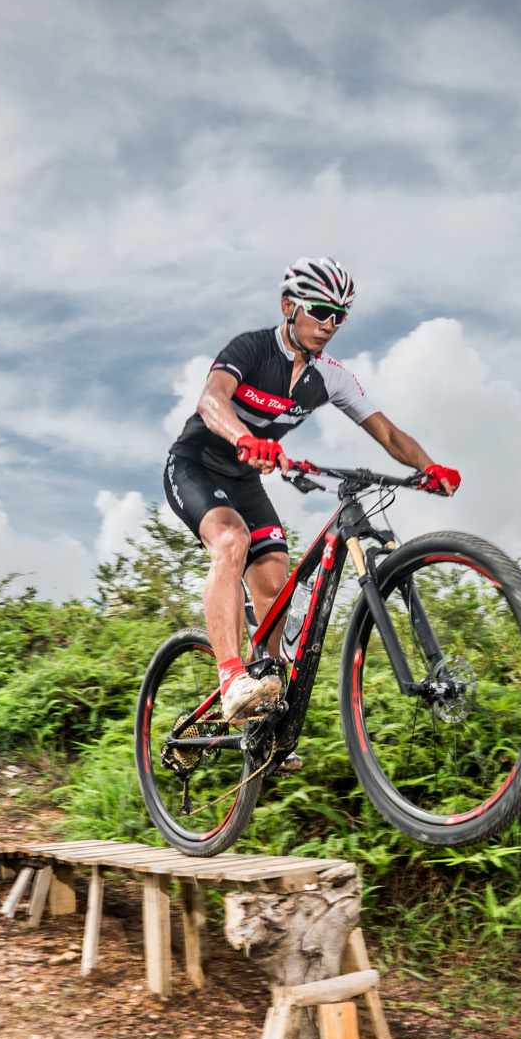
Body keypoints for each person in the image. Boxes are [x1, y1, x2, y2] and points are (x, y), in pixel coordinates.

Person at [163, 256, 460, 723]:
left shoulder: (331, 377)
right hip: (195, 465)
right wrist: (244, 437)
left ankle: (264, 715)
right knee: (232, 540)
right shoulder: (252, 348)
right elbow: (211, 399)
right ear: (289, 307)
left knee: (274, 583)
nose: (329, 325)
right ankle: (231, 679)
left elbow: (387, 433)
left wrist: (429, 467)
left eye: (339, 316)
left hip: (245, 479)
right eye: (320, 311)